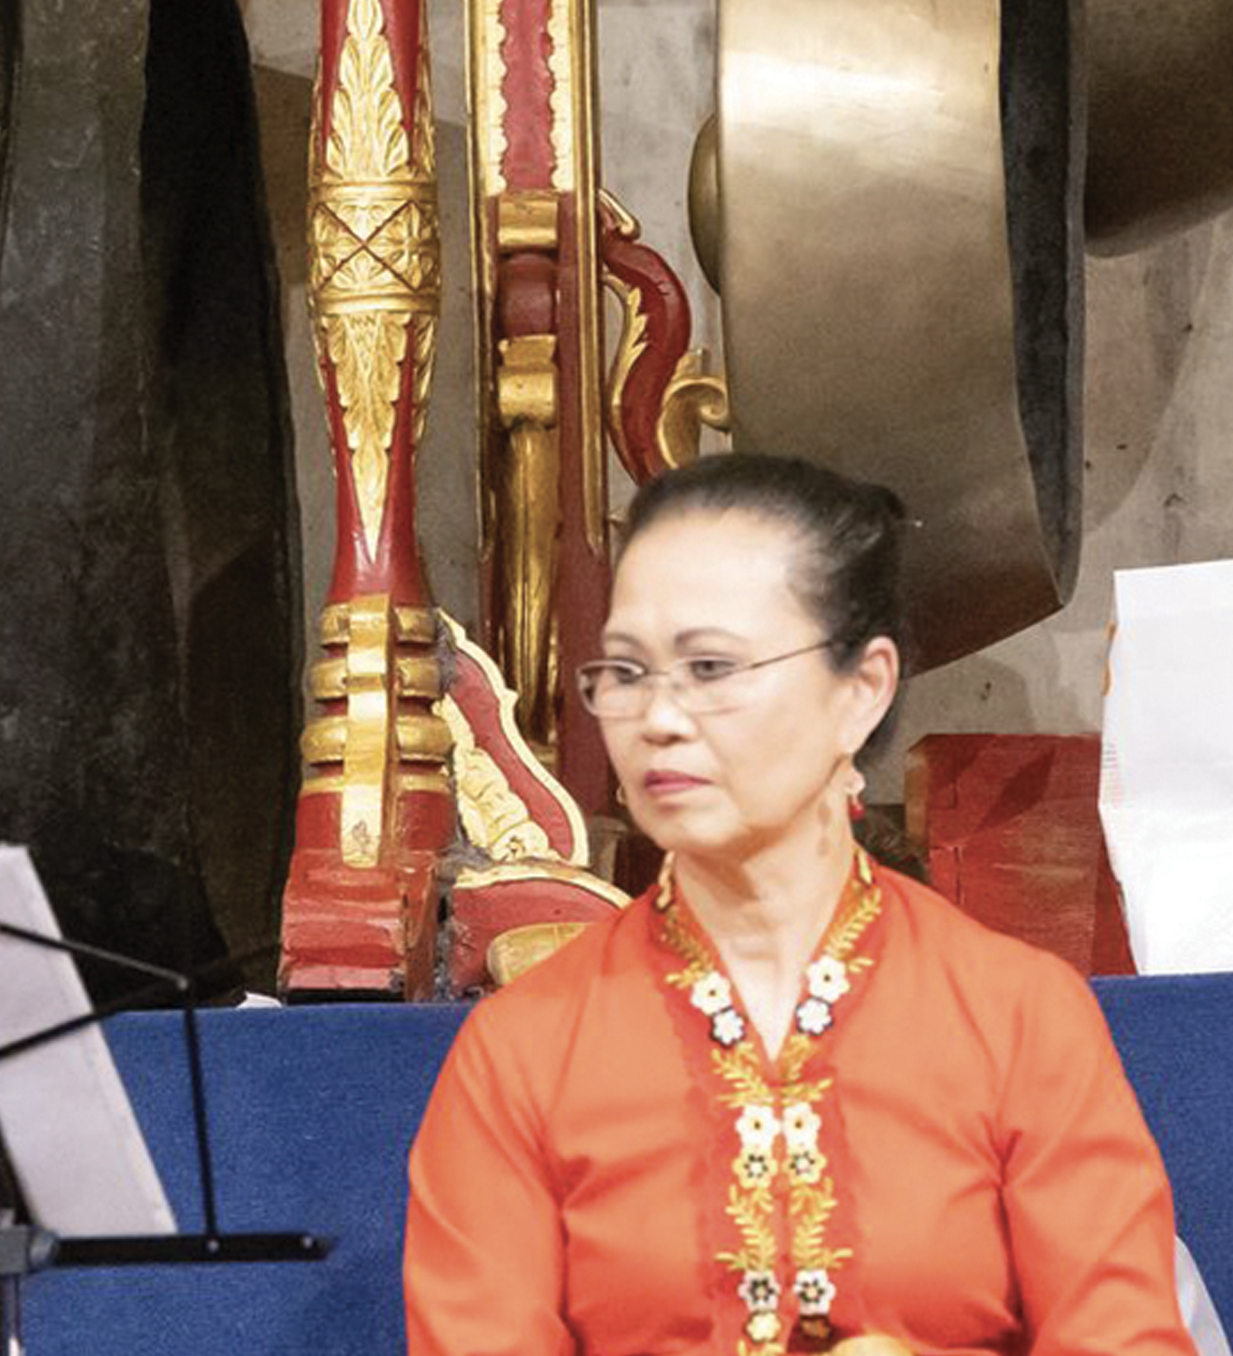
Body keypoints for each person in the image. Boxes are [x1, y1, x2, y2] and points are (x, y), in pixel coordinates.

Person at [402, 452, 1193, 1356]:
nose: (658, 716)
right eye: (624, 672)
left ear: (861, 691)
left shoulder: (1016, 1019)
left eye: (711, 666)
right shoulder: (528, 1049)